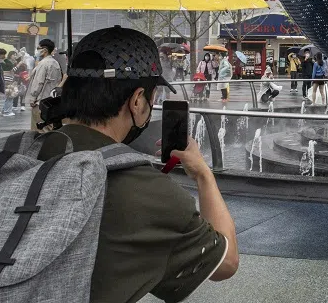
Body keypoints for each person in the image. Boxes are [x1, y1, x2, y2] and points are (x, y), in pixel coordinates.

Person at [34, 26, 239, 300]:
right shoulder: (144, 190)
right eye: (152, 97)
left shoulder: (17, 153)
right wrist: (203, 174)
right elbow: (226, 264)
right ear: (137, 100)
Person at [25, 39, 63, 130]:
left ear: (45, 50)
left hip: (40, 103)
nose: (37, 50)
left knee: (39, 131)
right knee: (48, 129)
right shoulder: (55, 63)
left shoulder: (43, 64)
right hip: (51, 102)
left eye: (38, 48)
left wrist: (33, 99)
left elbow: (38, 83)